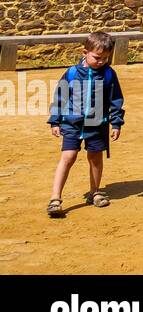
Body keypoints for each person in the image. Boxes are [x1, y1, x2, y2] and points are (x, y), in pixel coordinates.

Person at [47, 32, 125, 217]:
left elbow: (116, 100)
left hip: (97, 125)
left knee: (95, 157)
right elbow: (60, 97)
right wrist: (55, 121)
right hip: (72, 123)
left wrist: (116, 123)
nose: (101, 61)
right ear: (85, 52)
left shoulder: (108, 74)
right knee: (68, 157)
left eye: (106, 58)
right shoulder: (72, 73)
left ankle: (94, 191)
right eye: (97, 57)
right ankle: (55, 198)